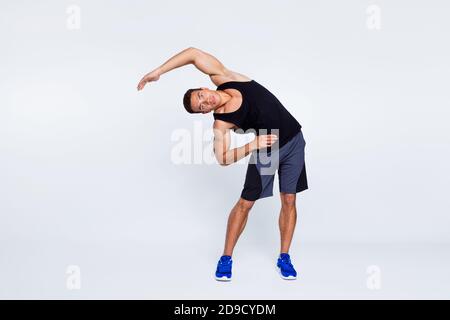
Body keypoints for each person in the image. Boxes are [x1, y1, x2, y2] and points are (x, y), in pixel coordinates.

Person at [137, 47, 308, 281]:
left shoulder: (227, 77)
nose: (205, 101)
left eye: (201, 96)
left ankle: (284, 257)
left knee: (289, 199)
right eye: (202, 107)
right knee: (245, 204)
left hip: (294, 140)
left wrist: (159, 71)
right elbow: (223, 158)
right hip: (266, 150)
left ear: (205, 87)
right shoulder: (221, 123)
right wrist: (253, 144)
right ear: (205, 113)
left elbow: (193, 54)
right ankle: (226, 257)